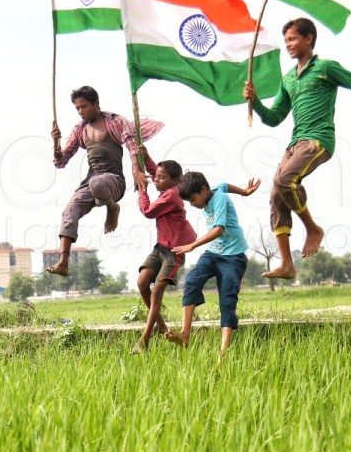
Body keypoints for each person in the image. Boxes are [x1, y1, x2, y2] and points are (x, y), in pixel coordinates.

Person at [243, 17, 351, 279]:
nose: (288, 45)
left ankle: (313, 229)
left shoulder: (325, 68)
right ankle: (287, 264)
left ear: (308, 38)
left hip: (318, 140)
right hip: (295, 143)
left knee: (285, 179)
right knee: (276, 193)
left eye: (293, 39)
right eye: (285, 40)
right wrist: (256, 103)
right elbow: (275, 117)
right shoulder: (288, 79)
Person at [47, 85, 163, 276]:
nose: (80, 112)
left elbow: (132, 146)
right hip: (91, 178)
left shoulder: (115, 121)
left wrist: (136, 170)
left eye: (84, 107)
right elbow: (61, 162)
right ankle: (63, 261)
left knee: (98, 183)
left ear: (96, 104)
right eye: (77, 108)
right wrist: (56, 143)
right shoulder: (80, 129)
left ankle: (112, 207)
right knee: (70, 210)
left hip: (113, 180)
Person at [165, 171, 260, 358]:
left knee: (227, 300)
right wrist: (244, 192)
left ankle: (223, 353)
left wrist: (192, 245)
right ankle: (185, 334)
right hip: (214, 253)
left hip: (234, 257)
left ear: (203, 190)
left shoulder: (220, 200)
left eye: (193, 200)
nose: (193, 205)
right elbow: (224, 183)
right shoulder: (214, 190)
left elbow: (218, 229)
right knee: (192, 280)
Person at [131, 150, 196, 353]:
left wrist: (142, 188)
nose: (155, 180)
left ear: (174, 180)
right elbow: (155, 170)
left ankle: (144, 339)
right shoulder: (168, 186)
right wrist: (146, 156)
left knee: (157, 291)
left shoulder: (172, 195)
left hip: (174, 252)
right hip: (160, 247)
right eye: (156, 176)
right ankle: (161, 325)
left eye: (161, 178)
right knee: (142, 282)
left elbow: (148, 211)